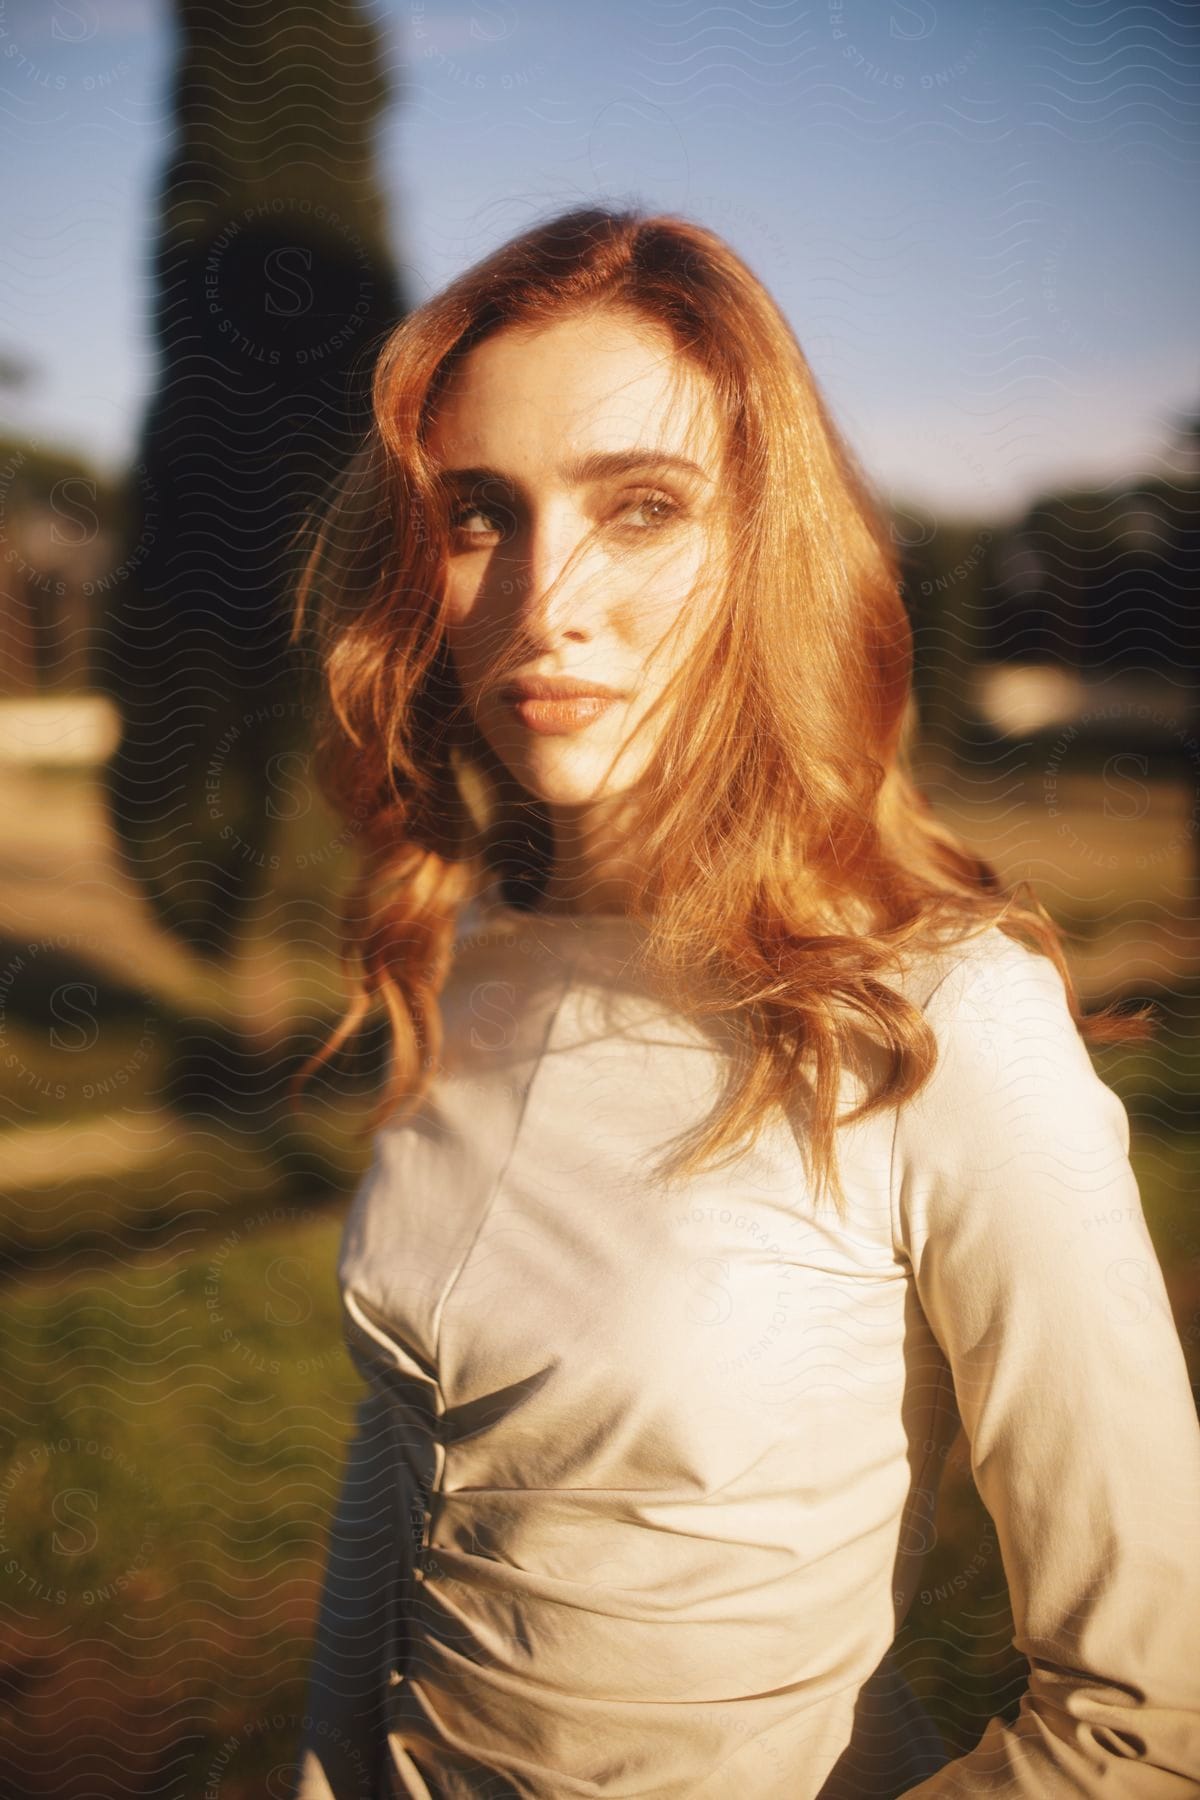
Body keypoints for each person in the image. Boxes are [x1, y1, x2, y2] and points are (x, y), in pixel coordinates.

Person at [287, 206, 1200, 1799]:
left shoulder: (939, 1018)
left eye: (641, 508)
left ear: (770, 546)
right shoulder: (469, 948)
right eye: (482, 514)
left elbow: (1150, 1712)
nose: (544, 599)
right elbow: (407, 1461)